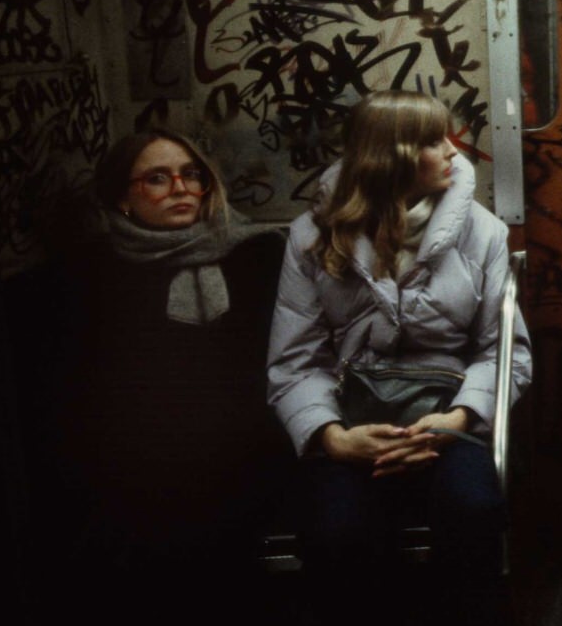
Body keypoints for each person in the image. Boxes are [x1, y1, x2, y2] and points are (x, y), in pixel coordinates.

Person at [267, 91, 531, 626]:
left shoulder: (482, 233)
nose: (453, 152)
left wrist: (457, 420)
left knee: (474, 509)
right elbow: (295, 361)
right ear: (390, 156)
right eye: (434, 141)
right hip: (350, 413)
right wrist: (334, 438)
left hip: (446, 410)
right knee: (337, 530)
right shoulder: (313, 237)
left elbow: (504, 353)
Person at [51, 129, 287, 621]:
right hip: (147, 462)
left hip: (248, 447)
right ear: (124, 197)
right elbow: (94, 391)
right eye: (157, 178)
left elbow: (279, 365)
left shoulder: (258, 254)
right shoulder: (94, 273)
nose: (180, 188)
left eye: (190, 175)